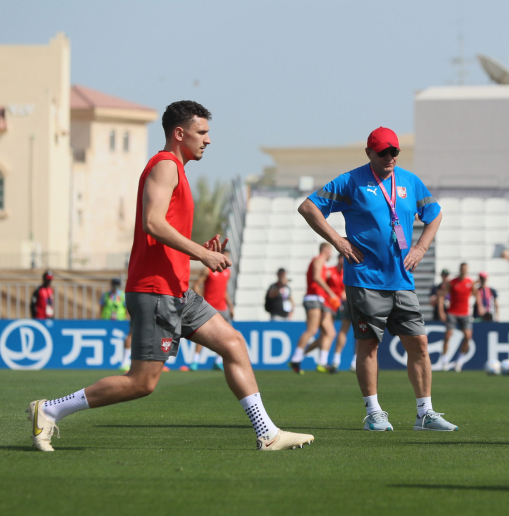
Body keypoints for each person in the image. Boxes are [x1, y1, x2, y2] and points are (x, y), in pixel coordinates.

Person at [27, 100, 313, 452]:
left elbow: (163, 230)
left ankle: (267, 433)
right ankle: (50, 409)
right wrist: (202, 253)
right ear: (180, 133)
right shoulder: (165, 166)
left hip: (175, 291)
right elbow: (153, 223)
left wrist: (197, 248)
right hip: (156, 290)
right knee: (142, 383)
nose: (208, 140)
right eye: (202, 132)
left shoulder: (176, 168)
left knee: (234, 344)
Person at [298, 126, 458, 432]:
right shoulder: (351, 181)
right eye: (383, 152)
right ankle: (373, 412)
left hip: (402, 279)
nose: (389, 157)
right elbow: (308, 207)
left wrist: (422, 246)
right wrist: (339, 242)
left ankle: (425, 413)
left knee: (420, 344)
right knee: (369, 346)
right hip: (365, 278)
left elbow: (434, 214)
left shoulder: (410, 181)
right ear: (369, 153)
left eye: (394, 152)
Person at [290, 244, 337, 373]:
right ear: (326, 251)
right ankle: (296, 358)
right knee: (312, 330)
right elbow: (316, 277)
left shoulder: (322, 263)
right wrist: (330, 292)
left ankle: (321, 362)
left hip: (319, 299)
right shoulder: (319, 259)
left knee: (329, 332)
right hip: (313, 298)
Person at [191, 247, 234, 371]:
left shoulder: (227, 272)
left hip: (222, 308)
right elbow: (196, 284)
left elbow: (224, 290)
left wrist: (230, 306)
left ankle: (218, 361)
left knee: (226, 335)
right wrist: (200, 300)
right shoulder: (208, 269)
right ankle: (195, 361)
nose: (227, 259)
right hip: (209, 307)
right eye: (225, 256)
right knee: (203, 335)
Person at [439, 262, 476, 372]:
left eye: (465, 269)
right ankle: (445, 361)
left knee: (468, 337)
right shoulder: (452, 282)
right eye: (462, 269)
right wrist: (441, 311)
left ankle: (460, 361)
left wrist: (479, 306)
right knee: (448, 336)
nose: (464, 271)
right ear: (459, 270)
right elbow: (442, 296)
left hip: (465, 313)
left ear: (467, 270)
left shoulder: (470, 282)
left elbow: (475, 293)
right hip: (452, 313)